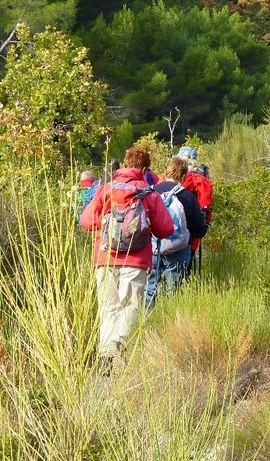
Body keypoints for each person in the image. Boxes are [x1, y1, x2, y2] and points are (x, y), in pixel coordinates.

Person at [79, 147, 174, 370]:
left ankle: (106, 354)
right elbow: (165, 228)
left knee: (108, 307)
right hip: (136, 258)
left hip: (105, 257)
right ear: (145, 168)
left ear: (124, 163)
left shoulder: (105, 190)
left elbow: (86, 221)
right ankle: (117, 341)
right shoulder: (149, 193)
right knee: (130, 305)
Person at [145, 156, 208, 309]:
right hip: (178, 249)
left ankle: (146, 321)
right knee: (173, 291)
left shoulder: (150, 192)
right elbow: (199, 229)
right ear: (184, 175)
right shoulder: (187, 196)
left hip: (152, 248)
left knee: (149, 289)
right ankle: (168, 324)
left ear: (165, 172)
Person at [177, 146, 213, 276]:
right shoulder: (201, 181)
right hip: (191, 233)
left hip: (165, 234)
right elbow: (206, 209)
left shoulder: (167, 179)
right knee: (185, 267)